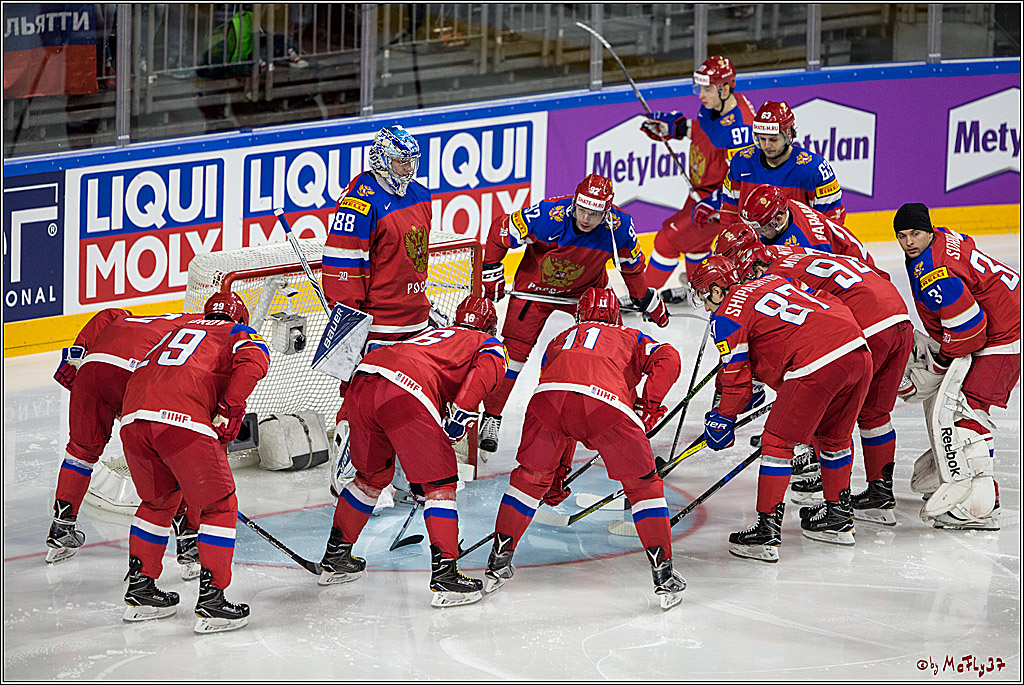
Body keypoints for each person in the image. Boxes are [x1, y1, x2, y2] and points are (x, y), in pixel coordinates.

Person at [484, 287, 686, 609]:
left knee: (528, 480)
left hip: (546, 400)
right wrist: (650, 405)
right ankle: (663, 573)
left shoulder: (558, 339)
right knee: (643, 486)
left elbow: (563, 399)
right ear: (615, 314)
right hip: (605, 404)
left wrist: (556, 472)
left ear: (579, 315)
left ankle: (498, 559)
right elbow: (669, 357)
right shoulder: (631, 335)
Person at [317, 296, 508, 608]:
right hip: (406, 390)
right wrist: (459, 419)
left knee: (371, 478)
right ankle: (446, 576)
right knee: (440, 486)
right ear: (491, 326)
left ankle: (335, 558)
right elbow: (480, 380)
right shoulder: (489, 344)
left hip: (363, 382)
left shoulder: (429, 333)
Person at [691, 255, 871, 561]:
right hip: (857, 349)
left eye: (705, 296)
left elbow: (736, 381)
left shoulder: (725, 316)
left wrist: (723, 418)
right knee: (833, 437)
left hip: (816, 361)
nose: (706, 305)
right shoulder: (773, 280)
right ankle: (838, 517)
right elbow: (824, 298)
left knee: (776, 441)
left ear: (718, 290)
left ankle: (766, 531)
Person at [478, 173, 669, 454]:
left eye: (594, 213)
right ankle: (492, 416)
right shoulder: (548, 215)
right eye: (582, 209)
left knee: (614, 355)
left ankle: (625, 415)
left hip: (587, 296)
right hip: (535, 290)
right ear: (574, 203)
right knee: (513, 357)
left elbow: (631, 266)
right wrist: (491, 270)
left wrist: (644, 298)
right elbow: (500, 230)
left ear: (606, 211)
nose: (586, 218)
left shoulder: (620, 226)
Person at [732, 236, 914, 526]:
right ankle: (880, 493)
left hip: (866, 328)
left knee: (828, 411)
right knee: (873, 412)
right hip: (899, 314)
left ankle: (828, 488)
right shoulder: (789, 251)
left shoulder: (768, 280)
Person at [117, 292, 270, 633]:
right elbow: (255, 363)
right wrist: (230, 409)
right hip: (180, 419)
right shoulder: (238, 333)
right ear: (240, 318)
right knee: (220, 505)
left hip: (132, 418)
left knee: (157, 501)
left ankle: (141, 592)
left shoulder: (178, 329)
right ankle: (213, 601)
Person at [893, 203, 1020, 530]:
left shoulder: (935, 273)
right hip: (1005, 318)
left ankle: (981, 505)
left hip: (1007, 331)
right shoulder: (943, 239)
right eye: (902, 235)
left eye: (916, 234)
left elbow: (971, 330)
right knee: (958, 400)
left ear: (928, 231)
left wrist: (940, 359)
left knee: (968, 408)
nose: (909, 242)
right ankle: (957, 469)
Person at [47, 308, 206, 567]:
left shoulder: (136, 316)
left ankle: (61, 528)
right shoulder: (209, 330)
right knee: (176, 455)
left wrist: (77, 352)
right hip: (136, 375)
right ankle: (188, 542)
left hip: (93, 366)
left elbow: (107, 315)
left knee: (81, 451)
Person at [322, 124, 433, 493]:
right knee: (362, 402)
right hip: (376, 324)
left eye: (412, 162)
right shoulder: (360, 201)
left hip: (414, 319)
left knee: (406, 401)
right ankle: (350, 477)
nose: (408, 170)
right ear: (382, 159)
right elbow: (342, 262)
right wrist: (349, 321)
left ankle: (403, 475)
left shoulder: (420, 195)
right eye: (401, 163)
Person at [638, 55, 757, 296]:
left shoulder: (740, 130)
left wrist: (715, 204)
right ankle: (699, 290)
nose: (699, 94)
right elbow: (706, 132)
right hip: (703, 193)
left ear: (724, 88)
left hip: (719, 203)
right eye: (699, 88)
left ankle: (642, 296)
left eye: (706, 89)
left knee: (667, 241)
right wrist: (675, 129)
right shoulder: (716, 107)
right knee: (697, 245)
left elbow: (745, 180)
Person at [720, 101, 846, 229]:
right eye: (762, 139)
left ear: (788, 135)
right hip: (752, 245)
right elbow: (729, 213)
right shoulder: (741, 162)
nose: (767, 145)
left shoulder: (815, 170)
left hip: (798, 247)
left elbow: (831, 226)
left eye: (773, 139)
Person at [736, 183, 881, 275]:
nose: (758, 234)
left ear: (778, 220)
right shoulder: (785, 206)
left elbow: (824, 282)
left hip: (860, 272)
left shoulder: (809, 244)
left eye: (761, 229)